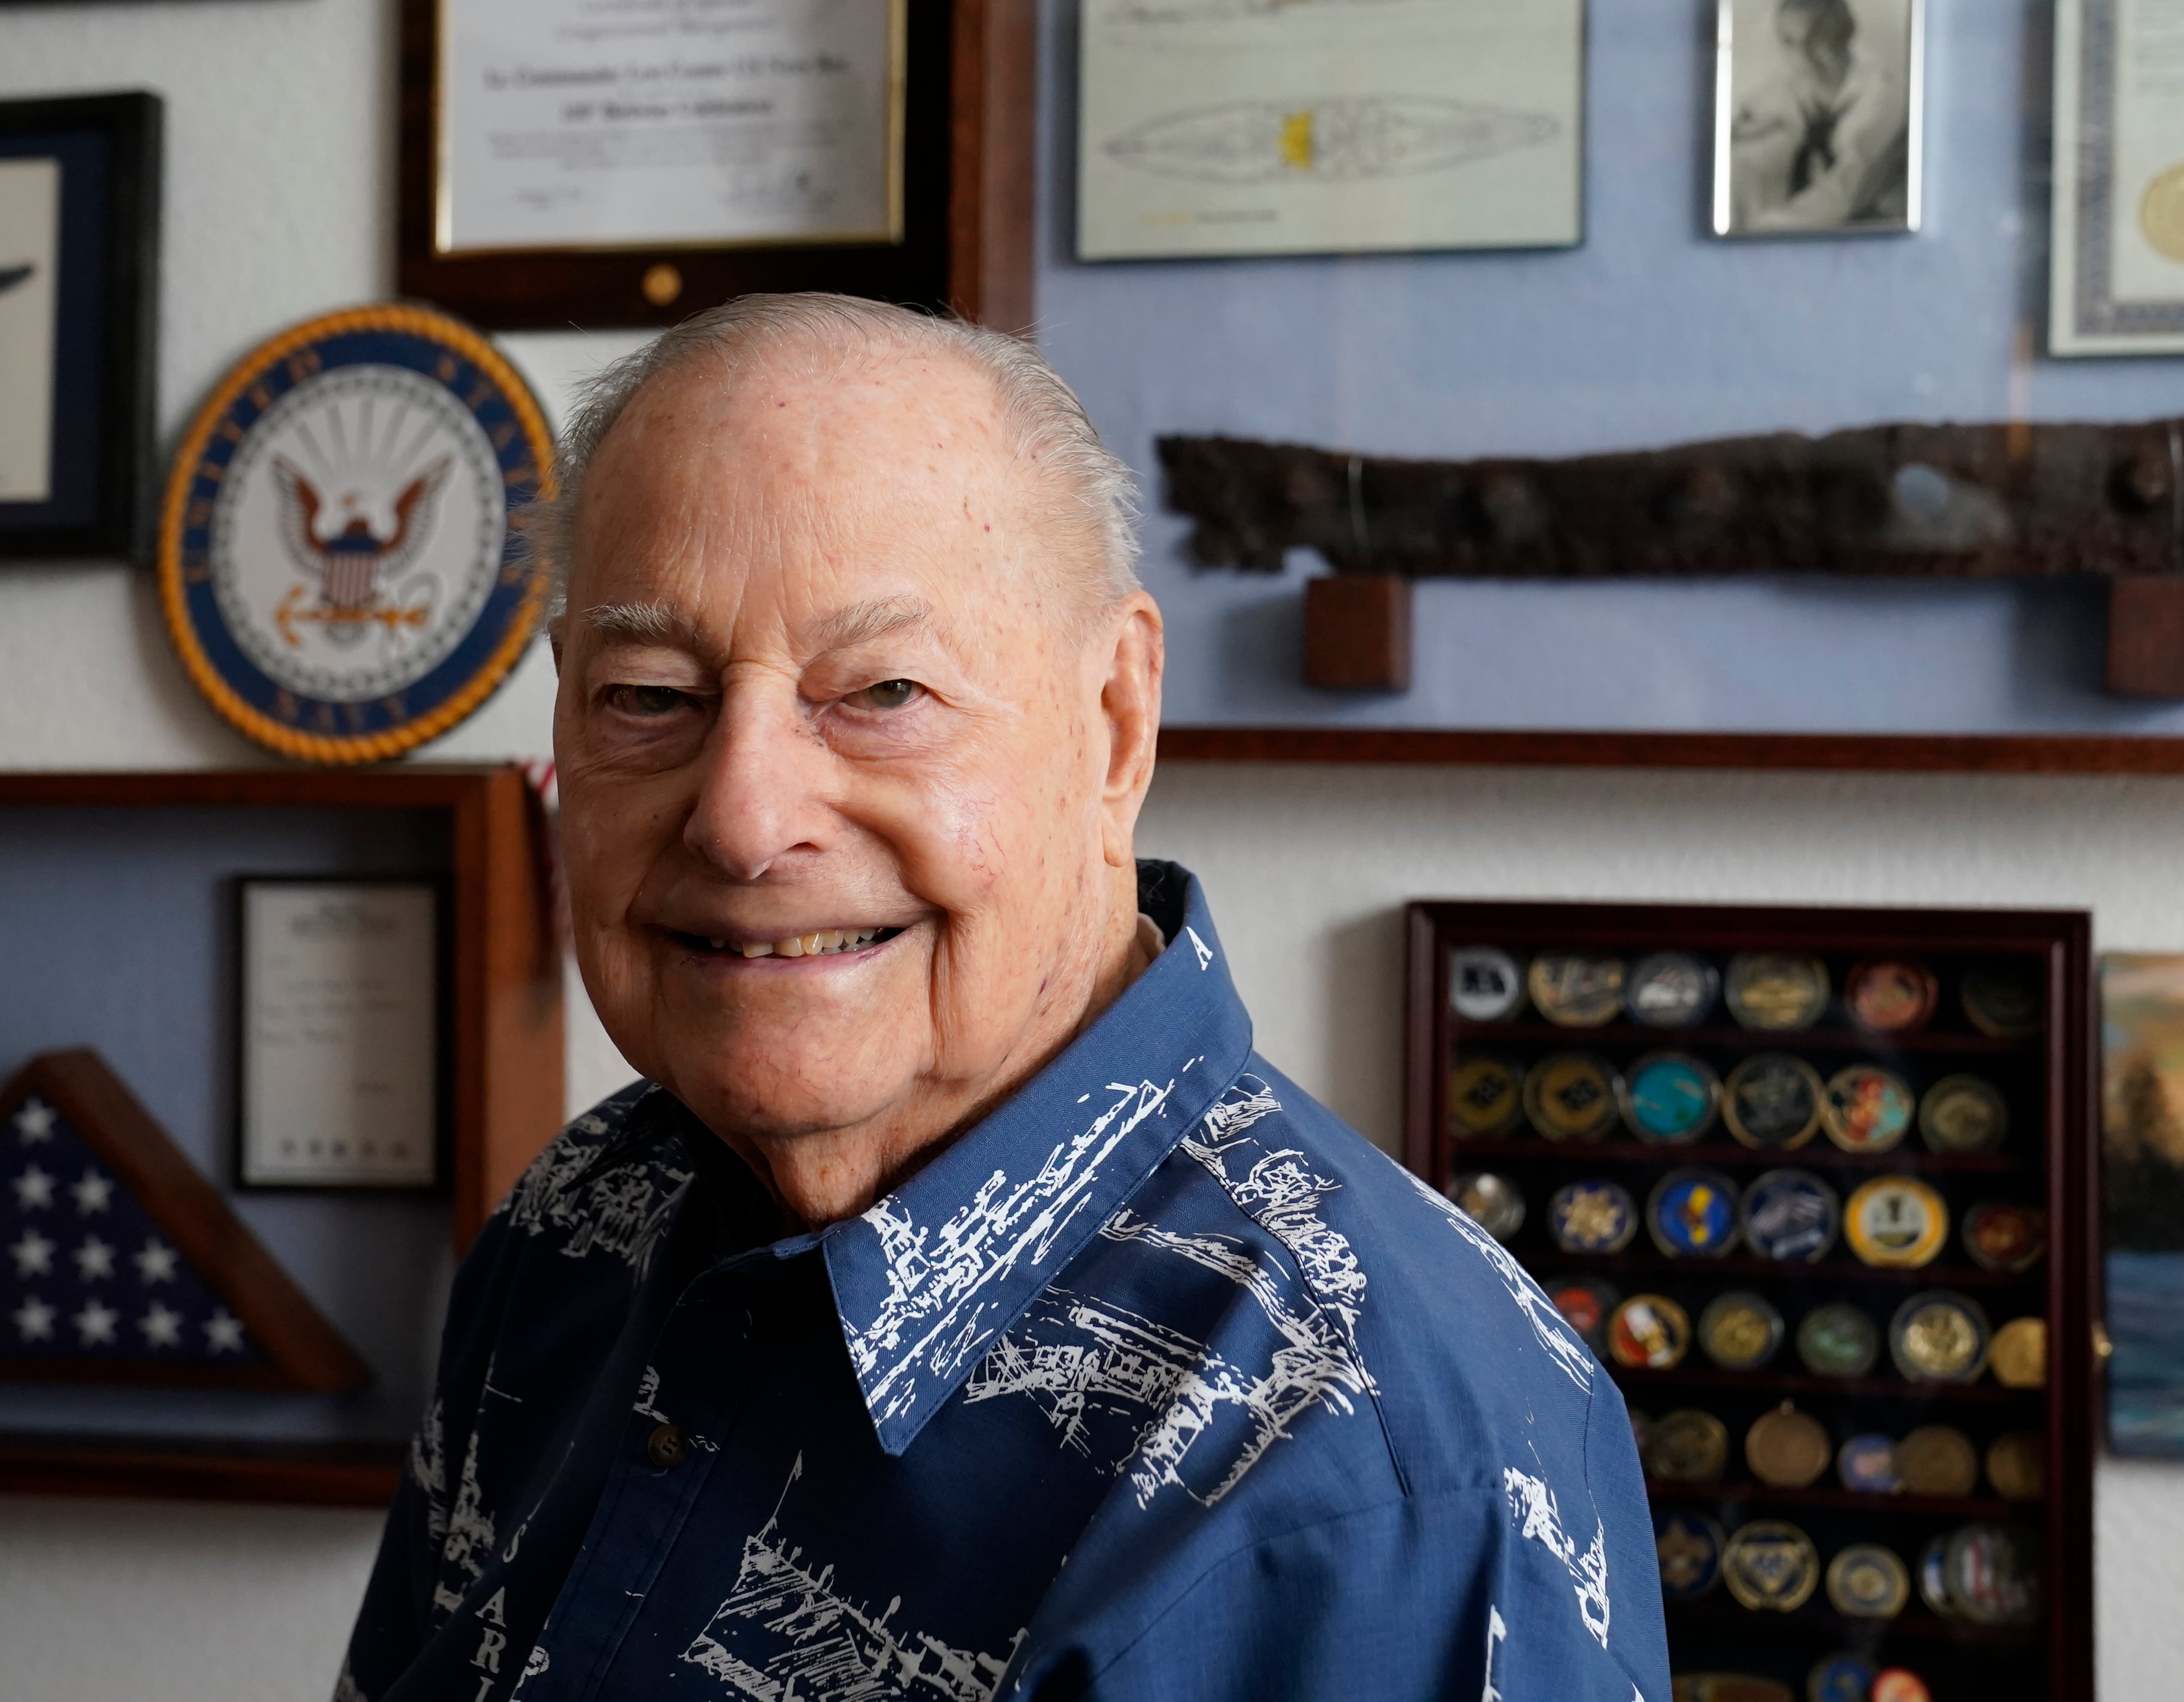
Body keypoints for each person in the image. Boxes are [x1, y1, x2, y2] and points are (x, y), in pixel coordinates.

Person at [336, 293, 1665, 1702]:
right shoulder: (575, 1228)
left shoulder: (1379, 1479)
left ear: (1115, 724)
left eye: (884, 690)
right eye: (649, 694)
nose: (741, 817)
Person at [1728, 0, 1909, 231]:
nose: (1802, 55)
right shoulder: (1786, 91)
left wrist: (1763, 229)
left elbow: (1850, 185)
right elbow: (1735, 132)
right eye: (1790, 43)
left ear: (1847, 33)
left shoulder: (1886, 95)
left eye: (1816, 40)